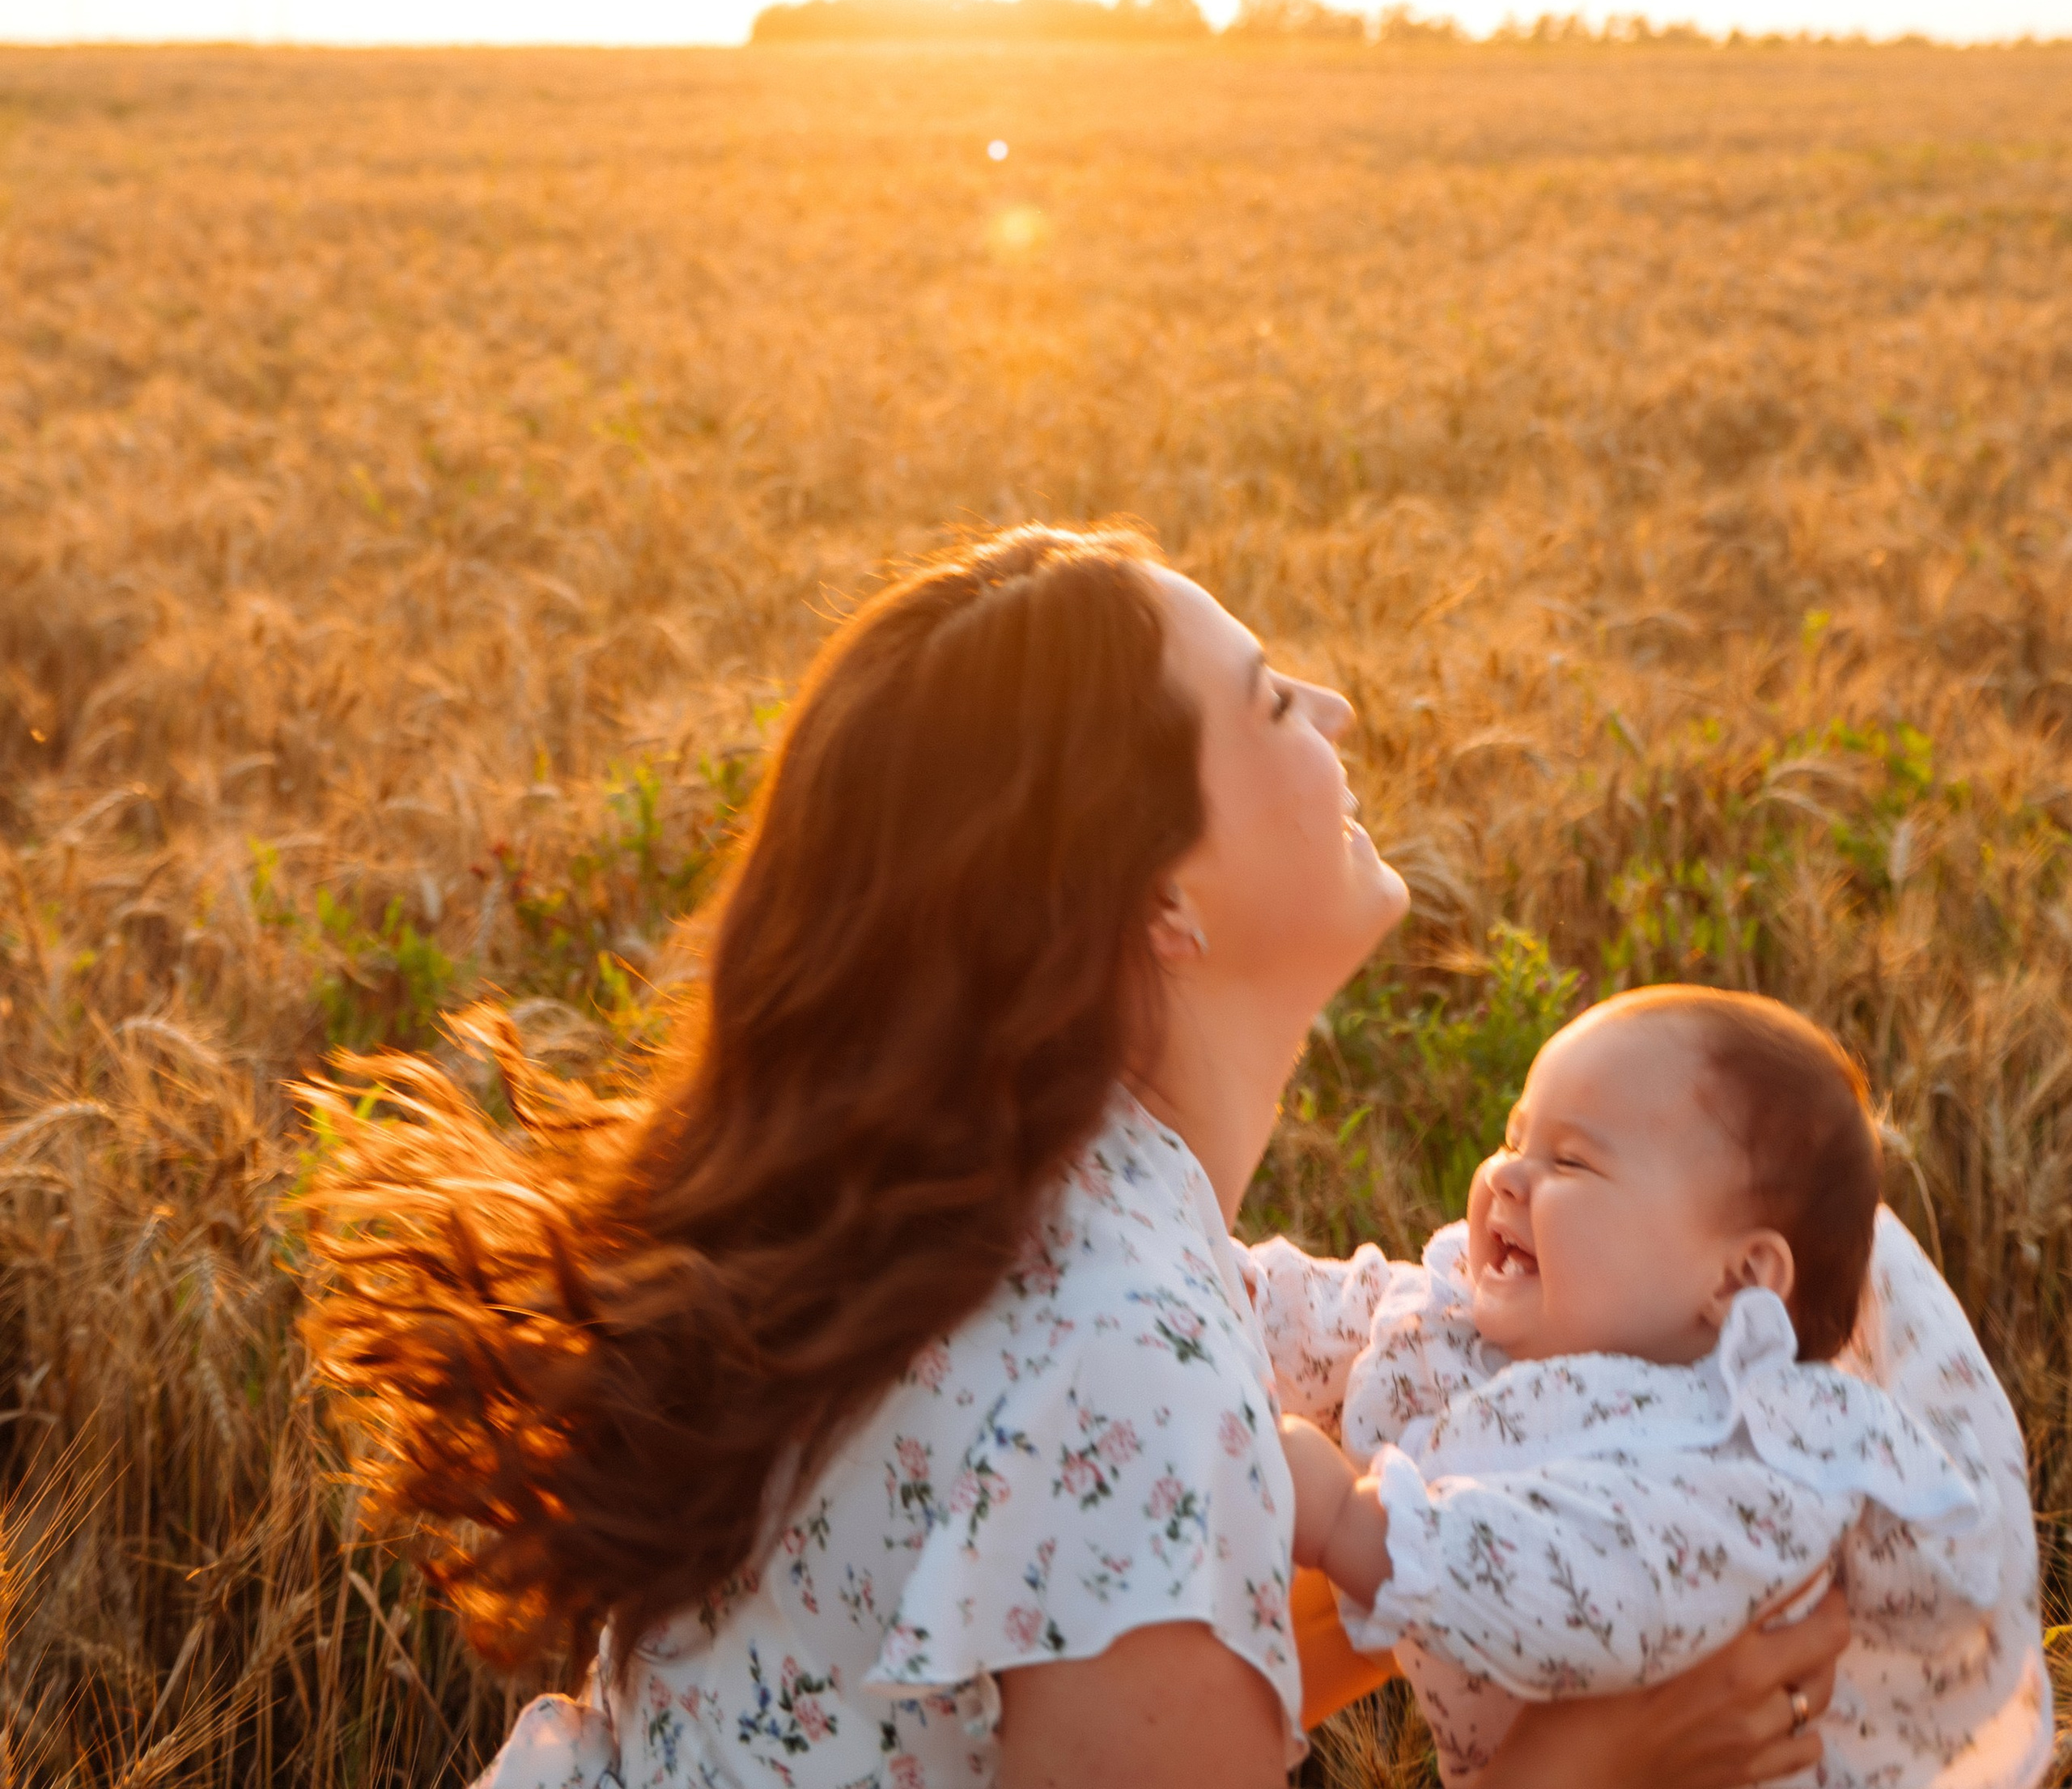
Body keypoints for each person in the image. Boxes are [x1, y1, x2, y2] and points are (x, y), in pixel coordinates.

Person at [304, 525, 1846, 1787]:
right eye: (1265, 703)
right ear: (1163, 898)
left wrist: (1458, 1546)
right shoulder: (1131, 1353)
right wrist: (1596, 1761)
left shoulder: (1004, 1199)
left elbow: (1039, 1682)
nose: (1337, 706)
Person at [1265, 989, 2050, 1787]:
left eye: (1569, 1160)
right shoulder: (1475, 1323)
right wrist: (1199, 1278)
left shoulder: (1745, 1464)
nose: (1505, 1172)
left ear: (1737, 1277)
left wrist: (1350, 1525)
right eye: (1512, 1137)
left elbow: (1588, 1584)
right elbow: (1319, 1309)